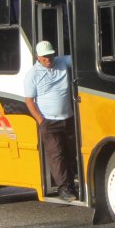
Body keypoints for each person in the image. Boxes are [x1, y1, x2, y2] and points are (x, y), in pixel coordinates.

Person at [23, 40, 78, 202]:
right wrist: (41, 121)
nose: (48, 58)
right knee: (57, 155)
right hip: (49, 122)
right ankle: (63, 188)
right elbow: (29, 101)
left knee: (70, 153)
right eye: (44, 56)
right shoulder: (33, 75)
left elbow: (81, 57)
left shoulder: (62, 62)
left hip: (68, 118)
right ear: (37, 57)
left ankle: (72, 184)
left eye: (50, 55)